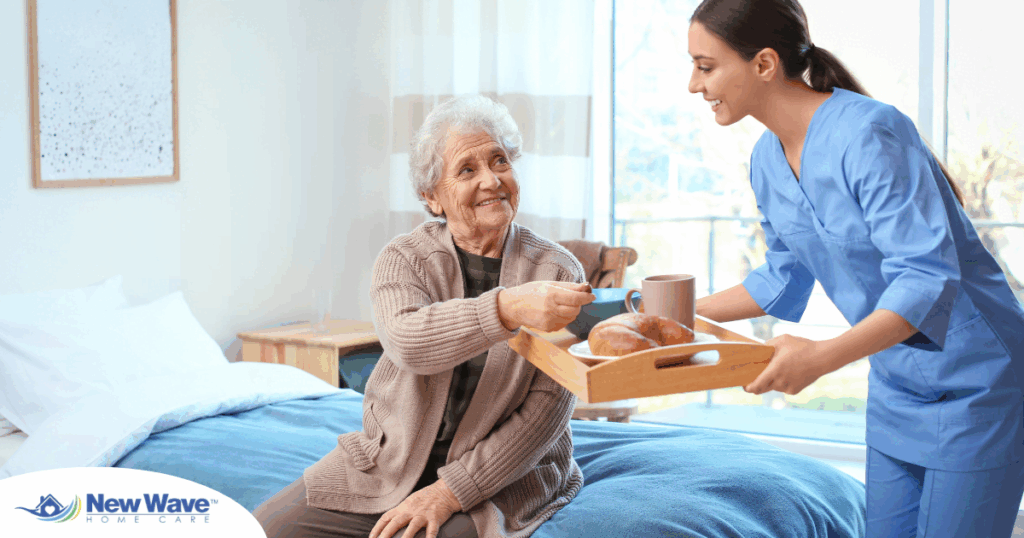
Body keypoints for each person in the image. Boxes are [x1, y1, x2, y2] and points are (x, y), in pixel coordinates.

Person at [685, 0, 1024, 536]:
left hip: (978, 379)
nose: (693, 85)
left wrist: (821, 358)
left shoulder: (870, 132)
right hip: (895, 383)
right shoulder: (766, 161)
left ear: (765, 64)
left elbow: (926, 278)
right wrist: (662, 313)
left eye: (705, 67)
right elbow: (780, 276)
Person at [252, 95, 595, 538]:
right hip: (390, 462)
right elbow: (409, 343)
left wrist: (448, 492)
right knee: (263, 529)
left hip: (503, 476)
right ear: (432, 197)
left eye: (500, 161)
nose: (492, 180)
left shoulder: (557, 271)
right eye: (467, 170)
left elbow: (545, 414)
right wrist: (506, 307)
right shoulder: (404, 260)